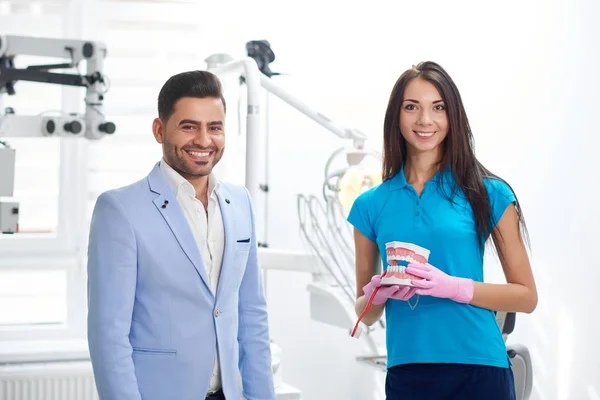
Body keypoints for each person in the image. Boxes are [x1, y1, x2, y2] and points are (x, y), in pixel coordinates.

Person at [348, 62, 537, 400]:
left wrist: (454, 287)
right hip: (408, 374)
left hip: (479, 369)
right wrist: (378, 292)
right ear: (396, 116)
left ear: (453, 117)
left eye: (438, 108)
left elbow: (526, 296)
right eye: (412, 107)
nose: (425, 120)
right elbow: (366, 311)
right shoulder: (369, 205)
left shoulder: (488, 193)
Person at [87, 70, 276, 400]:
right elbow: (108, 335)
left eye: (214, 127)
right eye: (189, 126)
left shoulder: (240, 202)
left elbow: (251, 315)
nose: (204, 140)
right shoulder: (119, 210)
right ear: (160, 130)